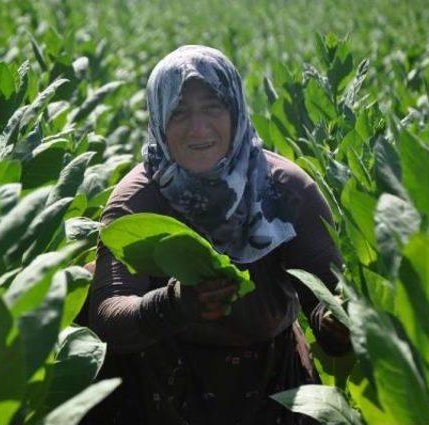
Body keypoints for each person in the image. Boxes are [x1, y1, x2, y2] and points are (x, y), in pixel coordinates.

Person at [85, 45, 351, 425]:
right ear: (159, 119)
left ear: (236, 111)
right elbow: (108, 318)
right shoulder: (137, 200)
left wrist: (335, 324)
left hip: (273, 381)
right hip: (159, 386)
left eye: (213, 107)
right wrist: (174, 304)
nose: (198, 128)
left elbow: (326, 301)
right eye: (180, 112)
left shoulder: (286, 190)